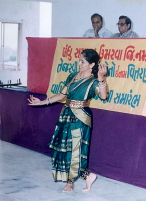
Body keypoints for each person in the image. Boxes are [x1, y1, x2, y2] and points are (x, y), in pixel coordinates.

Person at [28, 49, 107, 193]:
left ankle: (70, 182)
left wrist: (101, 78)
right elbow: (61, 95)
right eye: (79, 60)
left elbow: (103, 96)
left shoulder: (93, 82)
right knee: (64, 147)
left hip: (80, 117)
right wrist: (41, 102)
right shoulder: (72, 76)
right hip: (66, 114)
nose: (79, 64)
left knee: (75, 149)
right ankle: (87, 175)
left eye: (82, 61)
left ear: (92, 64)